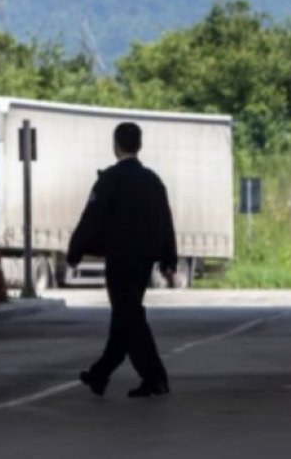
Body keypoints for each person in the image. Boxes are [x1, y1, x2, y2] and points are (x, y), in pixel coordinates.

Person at [67, 122, 177, 398]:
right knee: (125, 316)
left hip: (119, 258)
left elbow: (92, 217)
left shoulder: (110, 179)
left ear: (115, 145)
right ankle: (100, 375)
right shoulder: (153, 181)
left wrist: (75, 250)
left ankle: (155, 377)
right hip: (144, 262)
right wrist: (168, 258)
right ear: (139, 145)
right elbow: (165, 220)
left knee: (129, 316)